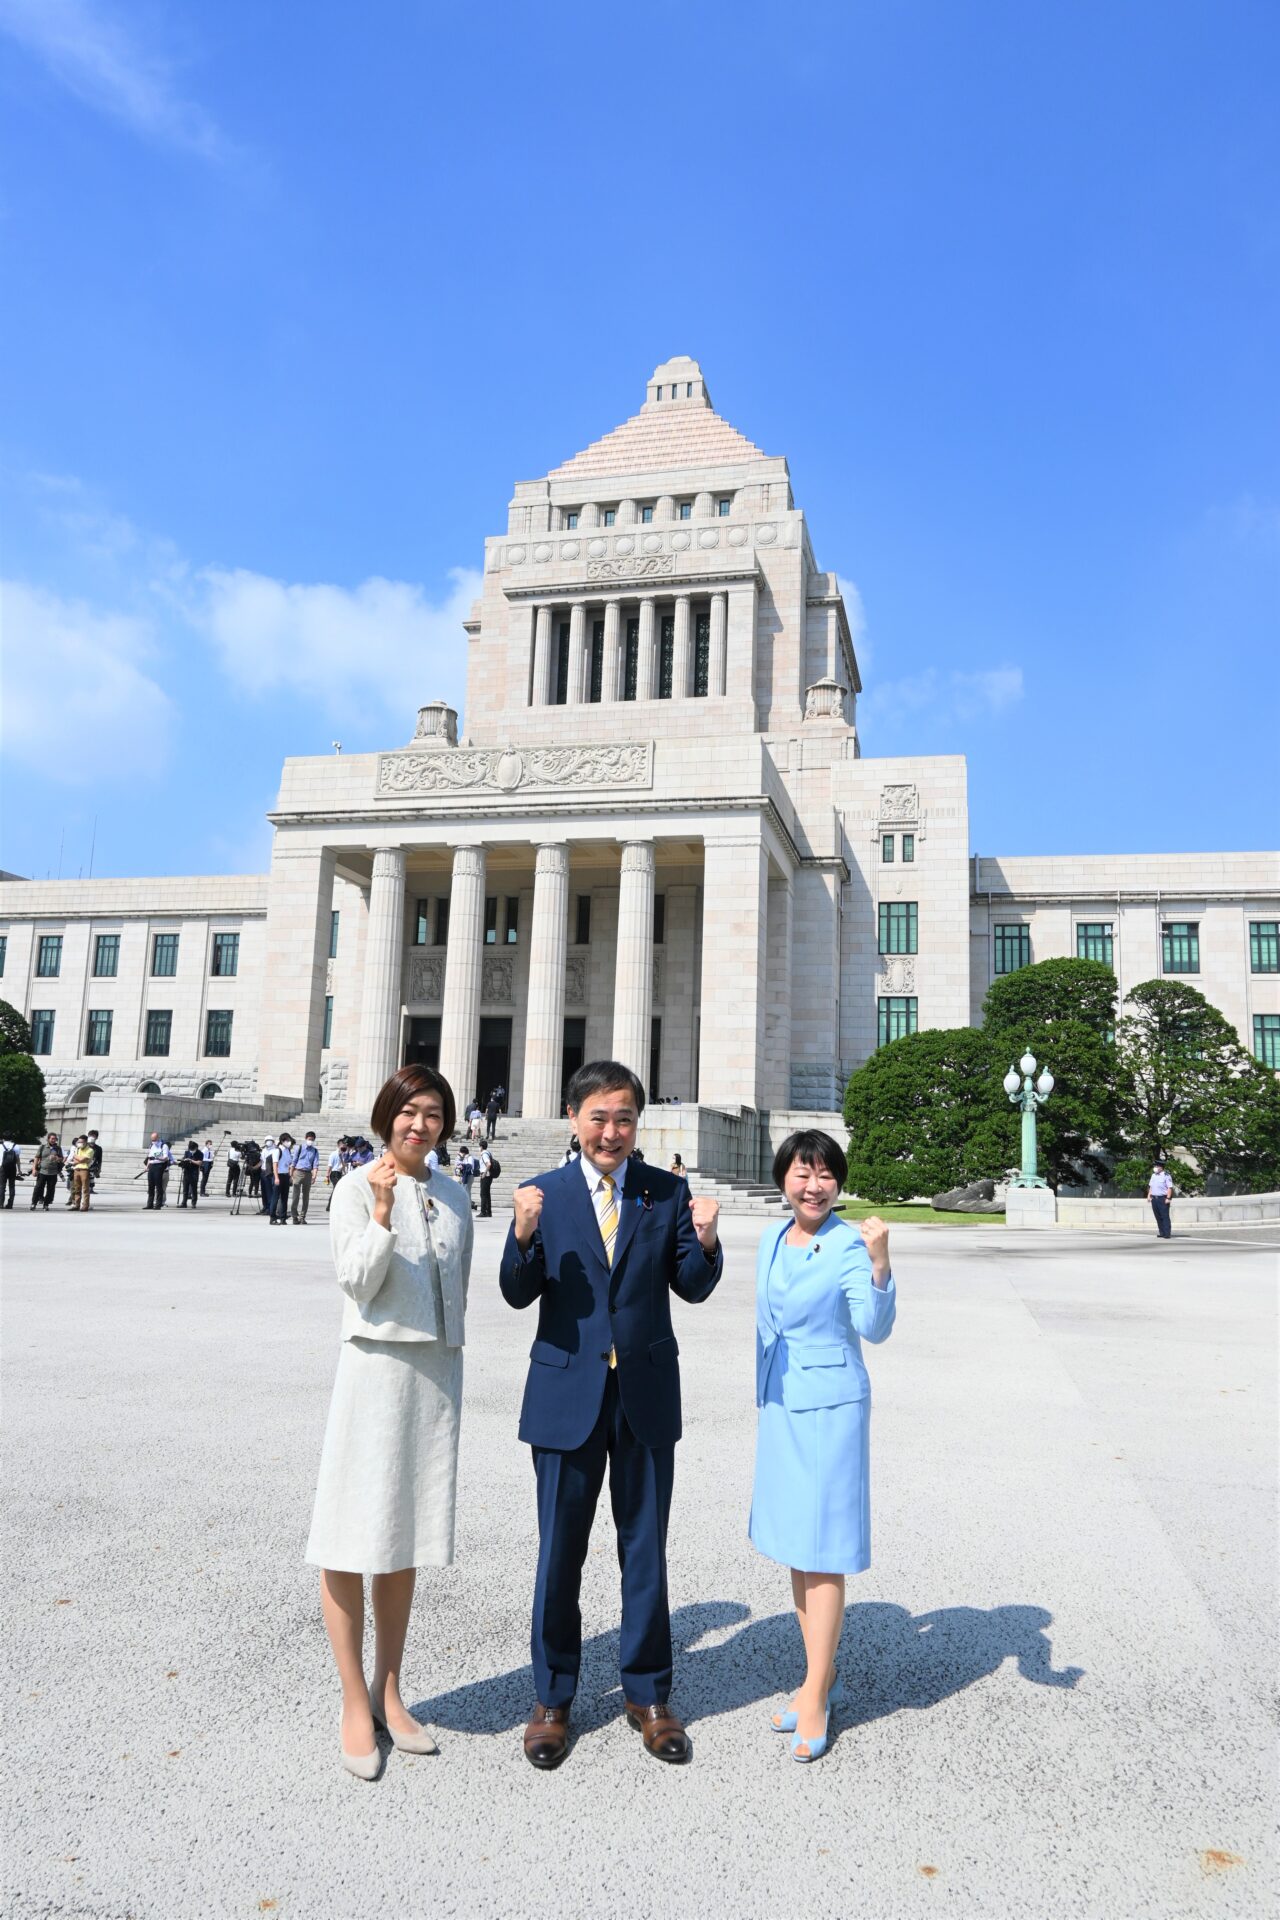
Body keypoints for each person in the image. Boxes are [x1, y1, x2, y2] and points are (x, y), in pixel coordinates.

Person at [499, 1059, 722, 1770]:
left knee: (644, 1549)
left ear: (638, 1124)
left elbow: (691, 1286)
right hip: (566, 1399)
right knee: (559, 1553)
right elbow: (516, 1292)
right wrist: (523, 1237)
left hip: (644, 1398)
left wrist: (709, 1242)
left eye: (624, 1117)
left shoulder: (666, 1192)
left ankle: (649, 1694)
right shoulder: (547, 1194)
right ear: (573, 1119)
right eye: (598, 1116)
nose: (611, 1131)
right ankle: (552, 1698)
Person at [306, 1062, 472, 1781]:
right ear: (386, 1116)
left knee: (402, 1534)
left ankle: (391, 1688)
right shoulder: (352, 1187)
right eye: (409, 1112)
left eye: (433, 1113)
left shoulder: (457, 1194)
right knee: (348, 1533)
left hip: (434, 1373)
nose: (419, 1125)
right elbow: (354, 1280)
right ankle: (352, 1700)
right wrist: (379, 1214)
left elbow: (455, 1287)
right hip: (374, 1367)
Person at [750, 1130, 896, 1764]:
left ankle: (814, 1692)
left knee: (824, 1547)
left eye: (825, 1175)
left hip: (831, 1408)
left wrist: (881, 1263)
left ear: (838, 1181)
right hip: (783, 1401)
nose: (813, 1186)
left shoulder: (846, 1246)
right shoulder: (772, 1238)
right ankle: (820, 1674)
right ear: (783, 1177)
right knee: (794, 1543)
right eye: (802, 1173)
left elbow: (874, 1327)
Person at [291, 1132, 320, 1223]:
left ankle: (302, 1216)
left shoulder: (315, 1151)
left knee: (306, 1197)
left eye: (312, 1139)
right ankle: (294, 1216)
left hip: (308, 1173)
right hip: (298, 1172)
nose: (310, 1141)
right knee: (295, 1196)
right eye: (309, 1139)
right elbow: (294, 1161)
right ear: (305, 1138)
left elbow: (315, 1164)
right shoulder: (299, 1148)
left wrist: (314, 1175)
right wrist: (291, 1174)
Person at [1148, 1161, 1174, 1239]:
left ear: (1161, 1167)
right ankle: (1161, 1232)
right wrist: (1149, 1196)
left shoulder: (1166, 1175)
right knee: (1158, 1216)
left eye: (1156, 1166)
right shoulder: (1153, 1175)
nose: (1155, 1168)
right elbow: (1151, 1187)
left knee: (1164, 1216)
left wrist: (1168, 1198)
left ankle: (1167, 1233)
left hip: (1163, 1198)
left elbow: (1170, 1188)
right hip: (1154, 1198)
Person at [272, 1134, 295, 1224]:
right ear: (282, 1141)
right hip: (279, 1175)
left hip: (285, 1175)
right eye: (288, 1140)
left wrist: (290, 1176)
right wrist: (276, 1177)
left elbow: (289, 1164)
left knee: (284, 1198)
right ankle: (273, 1217)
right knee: (275, 1197)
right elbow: (275, 1165)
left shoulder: (287, 1151)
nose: (289, 1142)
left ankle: (283, 1218)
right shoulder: (277, 1150)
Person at [143, 1133, 169, 1209]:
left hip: (159, 1166)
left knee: (158, 1186)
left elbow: (166, 1158)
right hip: (152, 1166)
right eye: (152, 1140)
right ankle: (149, 1204)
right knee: (150, 1186)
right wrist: (147, 1167)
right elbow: (149, 1158)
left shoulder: (163, 1145)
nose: (153, 1141)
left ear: (158, 1138)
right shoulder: (152, 1146)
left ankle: (158, 1204)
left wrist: (157, 1158)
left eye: (154, 1140)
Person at [69, 1135, 95, 1211]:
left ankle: (85, 1206)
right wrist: (78, 1158)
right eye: (78, 1142)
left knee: (85, 1189)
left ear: (86, 1142)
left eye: (81, 1142)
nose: (79, 1143)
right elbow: (77, 1159)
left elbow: (83, 1159)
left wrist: (76, 1157)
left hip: (84, 1170)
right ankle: (76, 1205)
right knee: (76, 1188)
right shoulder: (77, 1149)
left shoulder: (90, 1150)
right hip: (76, 1169)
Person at [325, 1137, 347, 1212]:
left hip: (340, 1173)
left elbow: (344, 1165)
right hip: (334, 1173)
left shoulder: (344, 1154)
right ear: (338, 1145)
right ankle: (329, 1206)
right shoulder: (333, 1154)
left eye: (344, 1144)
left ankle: (331, 1206)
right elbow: (330, 1165)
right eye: (342, 1144)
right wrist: (327, 1176)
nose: (343, 1146)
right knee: (336, 1188)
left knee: (337, 1189)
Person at [179, 1141, 203, 1208]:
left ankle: (193, 1203)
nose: (191, 1151)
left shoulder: (200, 1153)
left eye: (192, 1149)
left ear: (196, 1148)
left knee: (193, 1189)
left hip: (194, 1173)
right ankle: (184, 1203)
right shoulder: (187, 1152)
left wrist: (191, 1160)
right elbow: (183, 1159)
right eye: (190, 1149)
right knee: (185, 1189)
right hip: (187, 1172)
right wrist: (183, 1161)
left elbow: (200, 1163)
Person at [259, 1137, 278, 1218]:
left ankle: (270, 1208)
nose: (268, 1142)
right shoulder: (264, 1150)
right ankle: (265, 1206)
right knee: (264, 1191)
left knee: (269, 1191)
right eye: (267, 1140)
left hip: (270, 1172)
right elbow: (261, 1161)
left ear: (273, 1141)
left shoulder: (275, 1150)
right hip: (263, 1171)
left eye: (270, 1140)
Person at [0, 1134, 20, 1208]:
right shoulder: (16, 1146)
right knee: (12, 1186)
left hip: (2, 1168)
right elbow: (17, 1159)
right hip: (12, 1168)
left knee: (2, 1186)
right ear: (12, 1138)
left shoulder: (0, 1146)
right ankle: (10, 1204)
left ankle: (0, 1203)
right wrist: (19, 1170)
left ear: (3, 1138)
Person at [454, 1143, 475, 1210]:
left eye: (461, 1152)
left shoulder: (469, 1157)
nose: (461, 1154)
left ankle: (468, 1205)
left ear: (464, 1152)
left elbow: (470, 1166)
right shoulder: (464, 1157)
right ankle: (466, 1204)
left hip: (469, 1176)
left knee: (467, 1191)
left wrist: (462, 1165)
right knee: (465, 1190)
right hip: (465, 1176)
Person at [477, 1144, 496, 1218]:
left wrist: (484, 1173)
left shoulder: (484, 1154)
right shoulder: (488, 1153)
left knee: (483, 1194)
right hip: (489, 1176)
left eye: (479, 1146)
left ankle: (483, 1212)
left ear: (481, 1147)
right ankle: (488, 1212)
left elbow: (488, 1164)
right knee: (487, 1194)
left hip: (486, 1176)